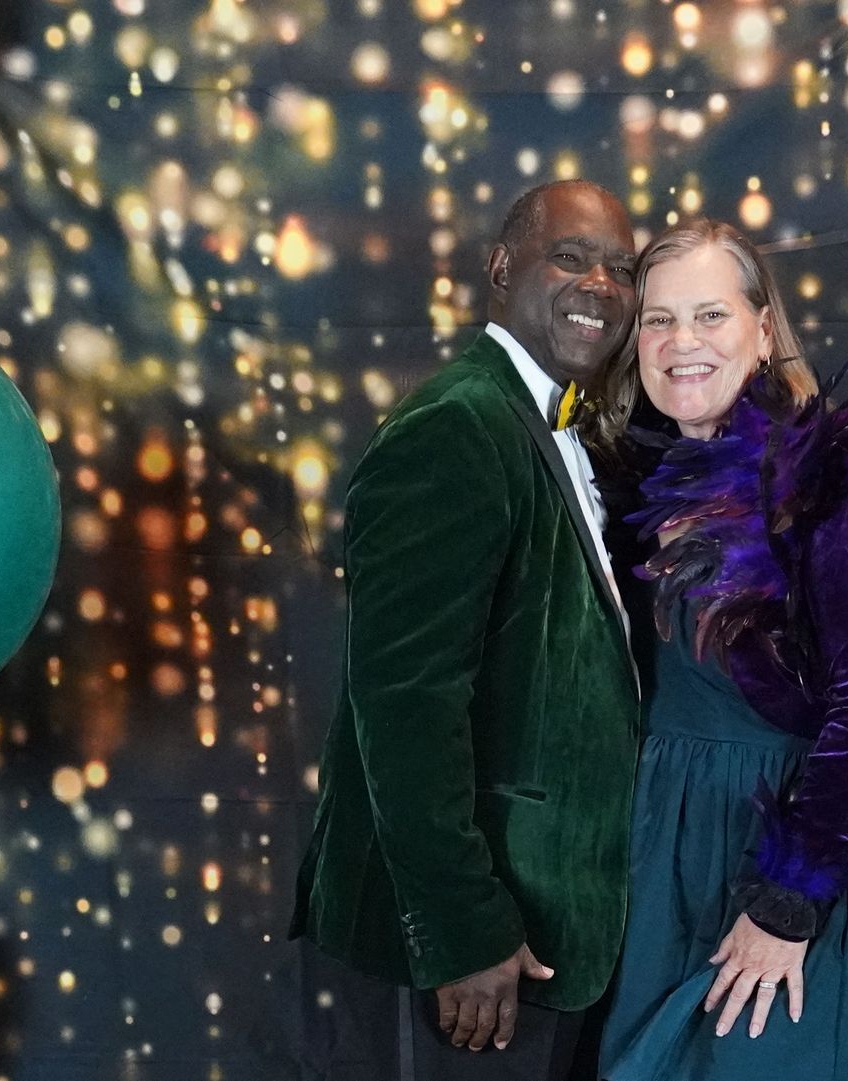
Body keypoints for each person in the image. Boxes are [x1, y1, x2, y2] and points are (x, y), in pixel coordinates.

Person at [288, 180, 643, 1080]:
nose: (600, 285)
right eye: (570, 257)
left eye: (621, 268)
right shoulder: (456, 426)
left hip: (545, 933)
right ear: (501, 268)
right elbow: (404, 704)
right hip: (469, 948)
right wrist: (462, 926)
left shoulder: (555, 425)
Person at [585, 218, 848, 1079]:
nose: (683, 342)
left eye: (710, 314)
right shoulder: (639, 484)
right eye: (660, 320)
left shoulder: (830, 491)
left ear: (763, 329)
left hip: (775, 839)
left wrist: (787, 899)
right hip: (663, 848)